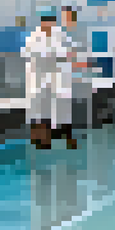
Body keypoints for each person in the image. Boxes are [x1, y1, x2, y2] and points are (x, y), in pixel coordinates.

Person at [23, 10, 78, 150]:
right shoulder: (34, 36)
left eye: (51, 23)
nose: (49, 25)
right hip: (39, 80)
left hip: (57, 78)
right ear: (42, 23)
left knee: (61, 109)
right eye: (46, 22)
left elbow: (70, 52)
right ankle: (42, 142)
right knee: (40, 112)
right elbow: (27, 52)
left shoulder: (60, 35)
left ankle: (66, 139)